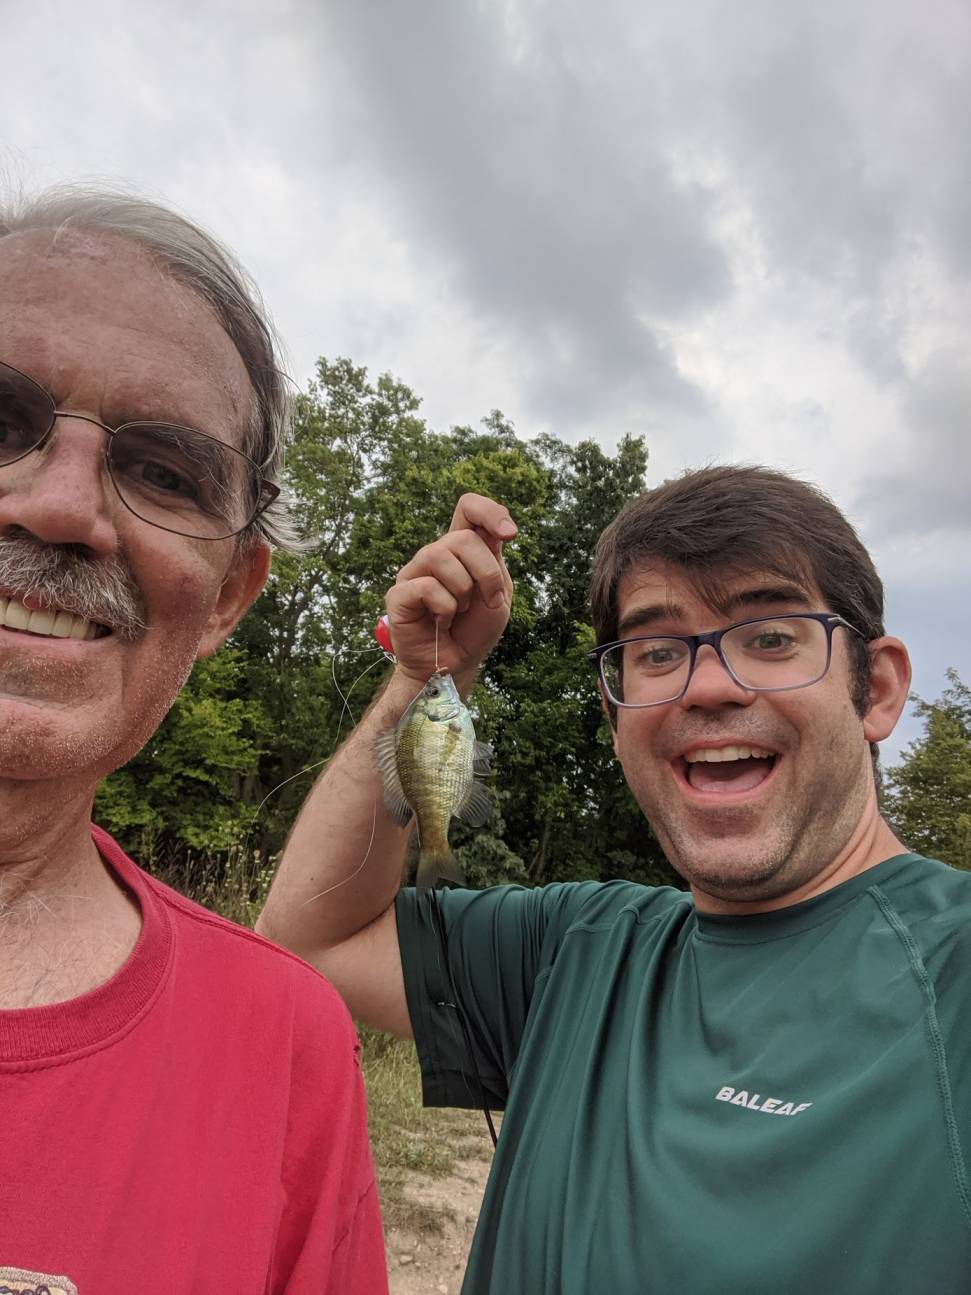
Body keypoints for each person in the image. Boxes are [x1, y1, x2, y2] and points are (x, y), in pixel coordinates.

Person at [259, 468, 971, 1294]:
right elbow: (312, 934)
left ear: (874, 690)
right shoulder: (574, 949)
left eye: (771, 636)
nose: (708, 686)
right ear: (615, 713)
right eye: (657, 650)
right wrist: (427, 680)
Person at [0, 187, 386, 1293]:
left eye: (163, 470)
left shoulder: (282, 1041)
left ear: (226, 598)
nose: (62, 506)